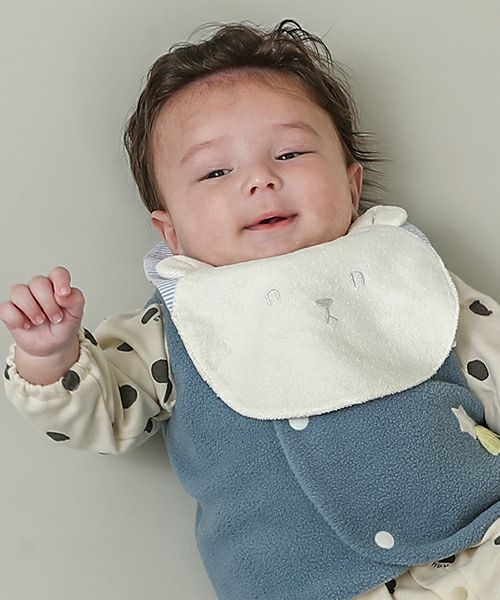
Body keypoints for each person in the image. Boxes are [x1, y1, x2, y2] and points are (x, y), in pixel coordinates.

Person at [2, 19, 500, 600]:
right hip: (301, 587)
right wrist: (51, 356)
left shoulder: (404, 278)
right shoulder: (175, 325)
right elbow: (104, 412)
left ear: (351, 184)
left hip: (480, 544)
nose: (261, 179)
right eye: (216, 171)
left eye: (290, 153)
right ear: (172, 233)